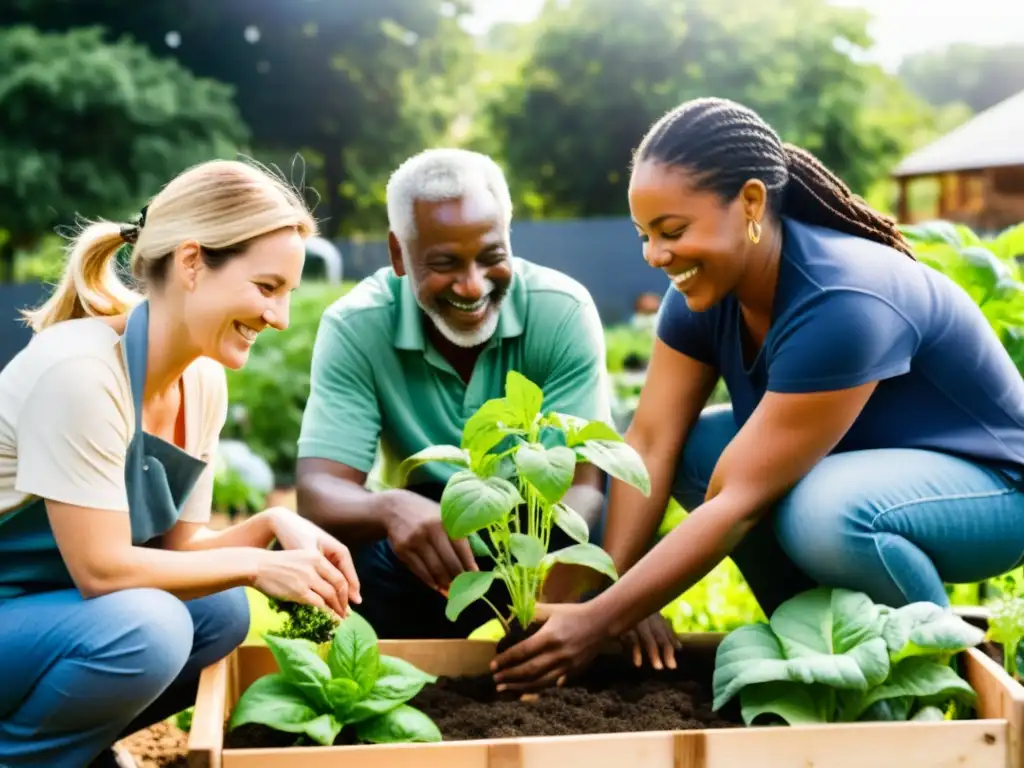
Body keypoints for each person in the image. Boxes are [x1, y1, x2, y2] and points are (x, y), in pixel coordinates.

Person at [488, 96, 1024, 692]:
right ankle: (812, 650)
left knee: (824, 511)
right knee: (697, 448)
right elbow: (652, 441)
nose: (655, 255)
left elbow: (738, 499)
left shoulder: (841, 298)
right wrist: (615, 589)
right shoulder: (704, 292)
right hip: (865, 469)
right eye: (645, 235)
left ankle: (939, 678)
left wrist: (597, 621)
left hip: (994, 489)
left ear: (749, 202)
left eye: (672, 230)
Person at [0, 159, 361, 768]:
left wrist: (274, 530)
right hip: (20, 607)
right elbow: (103, 572)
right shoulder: (82, 375)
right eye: (267, 287)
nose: (280, 317)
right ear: (192, 263)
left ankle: (74, 751)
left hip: (42, 615)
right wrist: (252, 565)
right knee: (151, 628)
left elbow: (178, 551)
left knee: (218, 610)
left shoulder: (203, 381)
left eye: (287, 294)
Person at [295, 148, 613, 640]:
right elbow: (319, 491)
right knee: (309, 554)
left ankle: (604, 628)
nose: (472, 285)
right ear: (399, 254)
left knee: (615, 508)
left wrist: (548, 609)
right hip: (431, 547)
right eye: (445, 263)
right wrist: (390, 508)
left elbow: (584, 484)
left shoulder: (561, 310)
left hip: (541, 542)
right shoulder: (357, 324)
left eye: (492, 257)